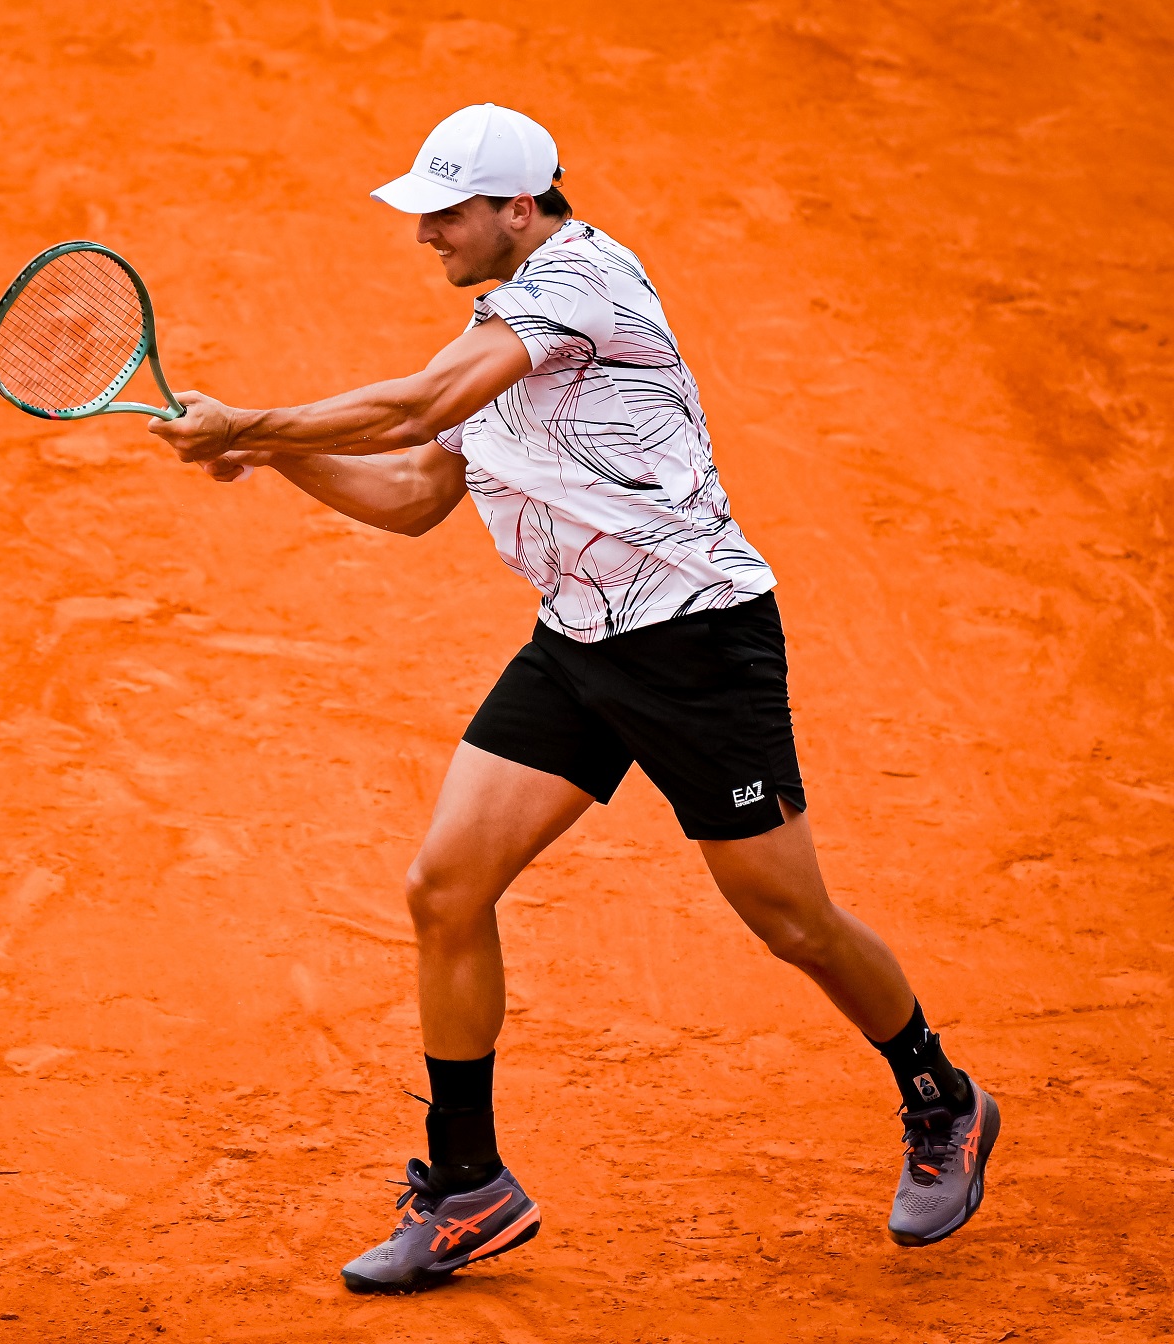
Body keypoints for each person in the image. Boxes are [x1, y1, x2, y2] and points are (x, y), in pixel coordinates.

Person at [147, 103, 1000, 1294]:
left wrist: (252, 419)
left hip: (698, 646)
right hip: (578, 645)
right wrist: (279, 453)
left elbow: (416, 409)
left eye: (448, 215)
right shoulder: (498, 334)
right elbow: (413, 493)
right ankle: (468, 1187)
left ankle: (940, 1094)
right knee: (446, 888)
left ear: (519, 207)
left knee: (790, 921)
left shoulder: (582, 285)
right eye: (423, 214)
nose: (427, 235)